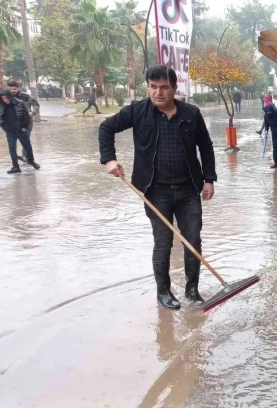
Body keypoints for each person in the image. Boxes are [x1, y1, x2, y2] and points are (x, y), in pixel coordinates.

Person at [98, 65, 217, 310]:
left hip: (188, 189)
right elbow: (106, 128)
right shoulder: (138, 112)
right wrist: (109, 159)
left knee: (192, 239)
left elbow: (205, 147)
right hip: (156, 190)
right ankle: (163, 292)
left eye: (164, 87)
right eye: (153, 87)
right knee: (163, 241)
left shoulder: (191, 114)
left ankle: (192, 290)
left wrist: (208, 179)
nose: (158, 92)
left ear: (174, 88)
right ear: (148, 87)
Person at [0, 89, 40, 174]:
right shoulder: (2, 106)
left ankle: (31, 161)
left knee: (27, 147)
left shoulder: (20, 103)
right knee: (12, 149)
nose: (5, 100)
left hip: (21, 129)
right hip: (10, 131)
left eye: (6, 98)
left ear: (10, 97)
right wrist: (5, 127)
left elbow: (26, 117)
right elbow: (0, 118)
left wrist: (24, 127)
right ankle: (15, 166)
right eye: (3, 99)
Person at [7, 80, 40, 163]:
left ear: (18, 88)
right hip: (14, 121)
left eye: (14, 89)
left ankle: (25, 156)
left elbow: (36, 104)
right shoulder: (9, 97)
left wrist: (33, 112)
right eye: (10, 89)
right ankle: (16, 158)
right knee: (12, 139)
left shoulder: (26, 96)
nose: (12, 91)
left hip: (26, 121)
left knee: (25, 138)